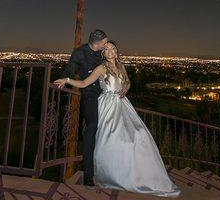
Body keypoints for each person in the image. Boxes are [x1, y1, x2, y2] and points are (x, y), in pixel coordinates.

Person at [54, 40, 181, 197]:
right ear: (103, 53)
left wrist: (125, 90)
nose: (110, 51)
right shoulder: (101, 68)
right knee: (114, 138)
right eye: (106, 49)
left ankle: (139, 175)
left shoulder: (121, 67)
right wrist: (66, 80)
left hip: (122, 104)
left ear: (116, 51)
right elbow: (85, 82)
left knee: (139, 134)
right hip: (107, 106)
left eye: (112, 48)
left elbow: (127, 82)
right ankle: (114, 175)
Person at [61, 29, 109, 187]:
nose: (106, 45)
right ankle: (88, 174)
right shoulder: (80, 53)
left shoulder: (104, 52)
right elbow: (69, 70)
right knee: (92, 128)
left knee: (108, 130)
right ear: (97, 43)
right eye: (104, 42)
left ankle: (108, 167)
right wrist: (65, 79)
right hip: (89, 95)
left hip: (106, 96)